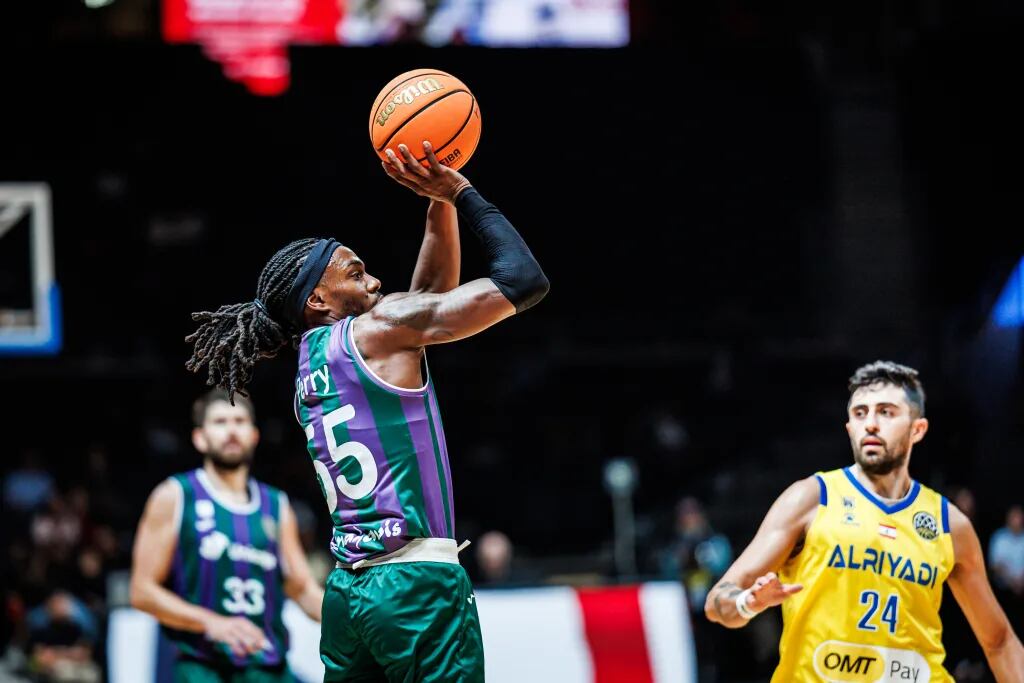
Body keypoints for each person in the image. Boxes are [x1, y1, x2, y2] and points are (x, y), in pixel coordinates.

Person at [184, 141, 548, 682]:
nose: (375, 282)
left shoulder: (310, 359)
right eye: (356, 275)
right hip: (415, 585)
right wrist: (463, 193)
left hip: (350, 594)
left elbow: (427, 296)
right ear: (318, 302)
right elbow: (524, 281)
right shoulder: (379, 331)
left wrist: (436, 204)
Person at [704, 361, 1024, 681]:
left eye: (885, 412)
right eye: (860, 413)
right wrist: (747, 602)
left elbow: (999, 641)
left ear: (917, 429)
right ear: (849, 428)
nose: (870, 424)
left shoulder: (948, 524)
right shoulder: (811, 498)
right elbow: (718, 601)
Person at [130, 389, 324, 682]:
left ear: (254, 435)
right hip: (203, 666)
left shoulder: (277, 504)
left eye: (239, 421)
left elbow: (301, 589)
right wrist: (212, 623)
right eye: (220, 422)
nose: (231, 430)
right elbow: (142, 591)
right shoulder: (175, 495)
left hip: (267, 666)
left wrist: (356, 617)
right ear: (200, 437)